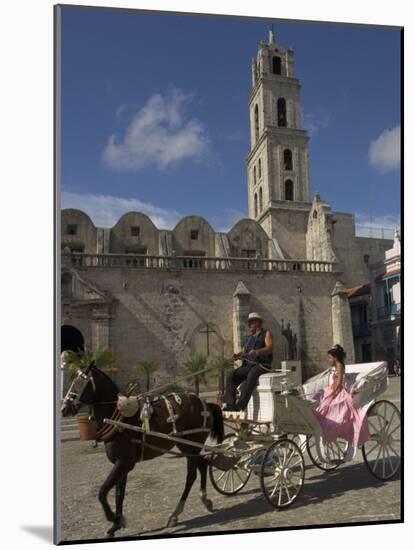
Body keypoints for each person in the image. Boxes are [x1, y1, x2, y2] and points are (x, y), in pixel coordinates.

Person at [314, 344, 369, 462]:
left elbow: (339, 383)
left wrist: (332, 392)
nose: (328, 360)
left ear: (335, 357)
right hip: (334, 389)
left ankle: (332, 428)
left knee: (333, 407)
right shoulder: (337, 366)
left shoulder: (339, 366)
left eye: (330, 357)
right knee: (322, 403)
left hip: (339, 391)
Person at [223, 312, 273, 411]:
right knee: (231, 375)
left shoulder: (266, 333)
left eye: (250, 322)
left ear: (257, 322)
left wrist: (258, 352)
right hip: (249, 365)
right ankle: (230, 405)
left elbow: (270, 348)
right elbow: (245, 352)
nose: (249, 325)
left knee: (251, 375)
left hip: (262, 365)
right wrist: (238, 355)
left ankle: (240, 406)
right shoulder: (250, 338)